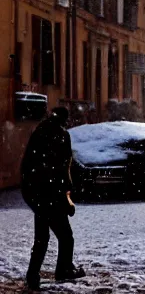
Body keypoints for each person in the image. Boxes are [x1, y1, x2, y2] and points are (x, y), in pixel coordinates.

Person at [21, 107, 85, 291]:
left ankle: (33, 275)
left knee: (41, 238)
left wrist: (30, 193)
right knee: (66, 237)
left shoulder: (39, 132)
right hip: (52, 193)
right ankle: (63, 269)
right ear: (64, 119)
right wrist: (67, 195)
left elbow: (28, 164)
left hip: (39, 193)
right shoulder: (61, 136)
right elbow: (63, 167)